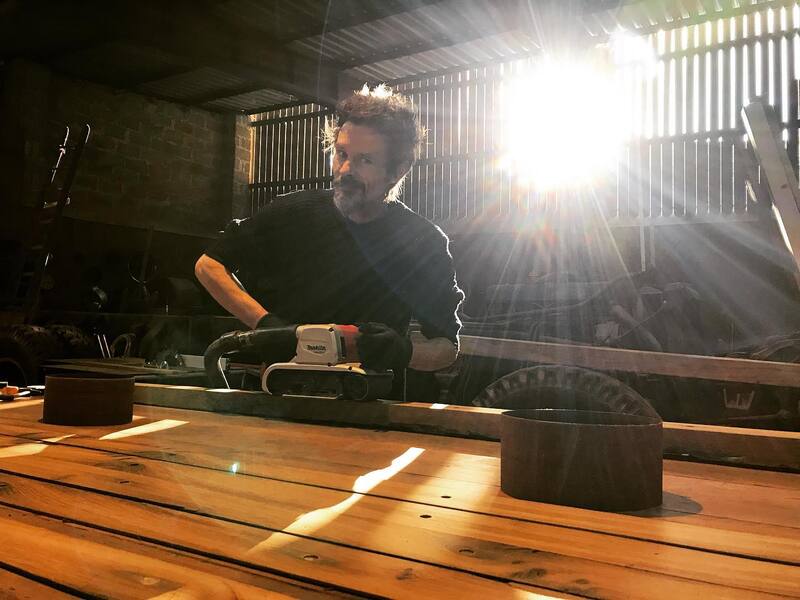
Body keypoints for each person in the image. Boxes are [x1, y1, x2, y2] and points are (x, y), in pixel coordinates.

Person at [195, 84, 464, 377]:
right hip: (281, 395)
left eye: (365, 160)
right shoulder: (292, 213)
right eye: (341, 153)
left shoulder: (423, 242)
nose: (346, 169)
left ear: (397, 170)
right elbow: (208, 266)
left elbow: (447, 347)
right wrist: (265, 325)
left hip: (371, 403)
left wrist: (404, 351)